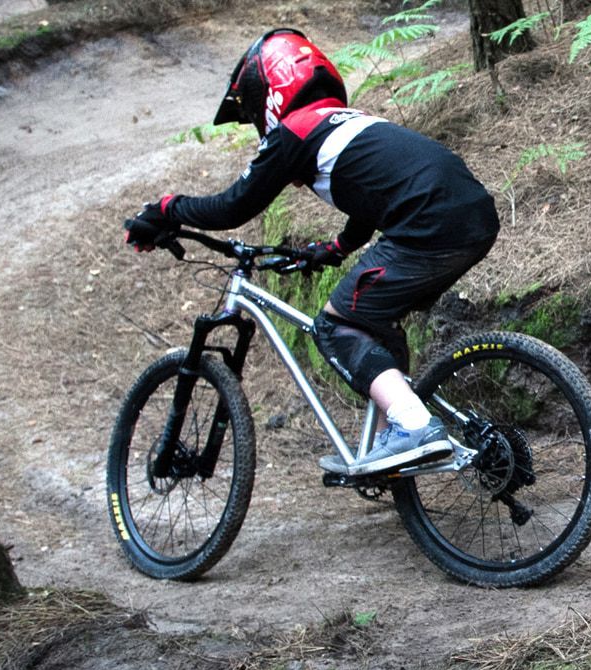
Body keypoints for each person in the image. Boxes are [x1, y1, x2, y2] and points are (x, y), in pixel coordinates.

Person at [124, 28, 500, 477]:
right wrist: (335, 248)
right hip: (471, 217)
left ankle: (414, 427)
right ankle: (392, 450)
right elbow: (374, 199)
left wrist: (167, 209)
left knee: (336, 325)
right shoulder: (346, 121)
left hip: (428, 224)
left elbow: (233, 207)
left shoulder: (294, 133)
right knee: (373, 324)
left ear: (269, 88)